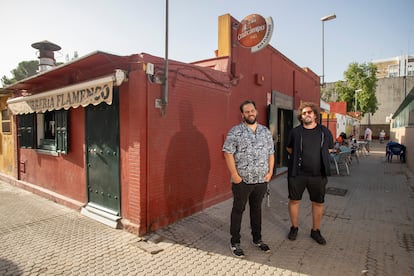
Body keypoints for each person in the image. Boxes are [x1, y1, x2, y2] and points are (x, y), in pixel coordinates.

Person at [222, 100, 275, 258]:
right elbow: (227, 152)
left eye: (252, 110)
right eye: (247, 111)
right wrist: (235, 175)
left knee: (257, 210)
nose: (250, 113)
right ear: (242, 114)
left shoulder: (265, 131)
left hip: (261, 180)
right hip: (242, 181)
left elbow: (271, 153)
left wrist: (270, 172)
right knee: (238, 210)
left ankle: (257, 239)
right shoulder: (235, 131)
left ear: (256, 111)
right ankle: (235, 242)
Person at [285, 102, 334, 245]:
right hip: (297, 174)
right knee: (294, 200)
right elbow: (289, 148)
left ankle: (315, 231)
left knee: (318, 202)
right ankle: (294, 227)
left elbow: (329, 149)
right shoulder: (295, 132)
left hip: (318, 175)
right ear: (301, 115)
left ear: (315, 115)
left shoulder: (325, 132)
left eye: (309, 112)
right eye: (304, 113)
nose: (307, 115)